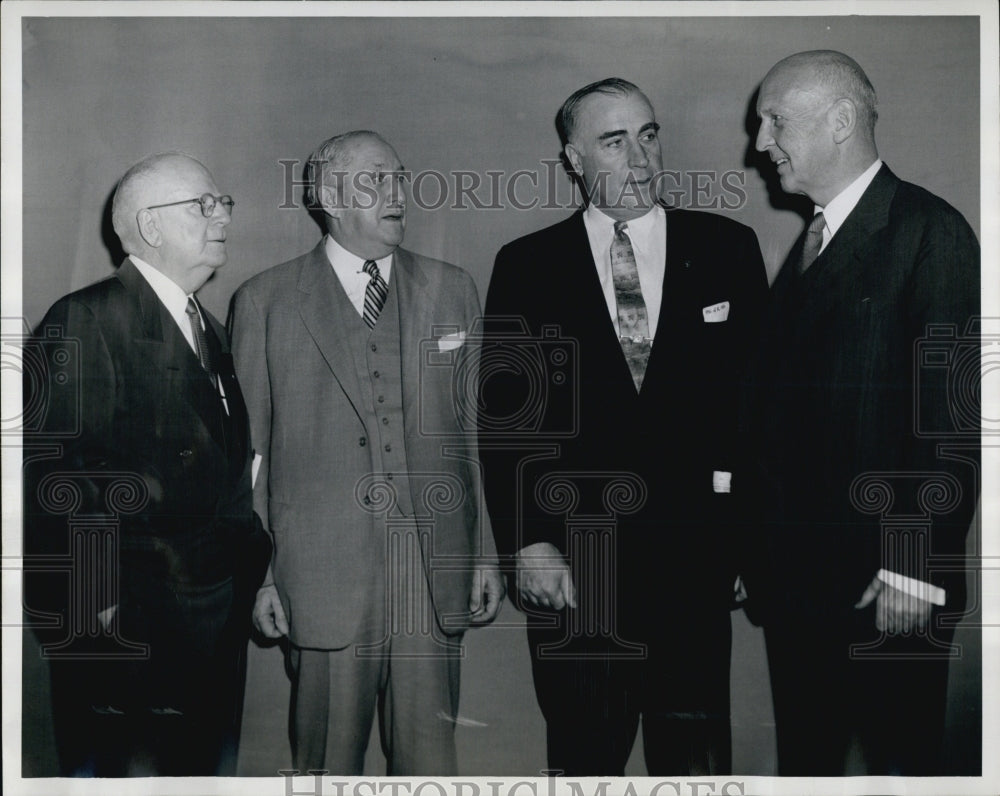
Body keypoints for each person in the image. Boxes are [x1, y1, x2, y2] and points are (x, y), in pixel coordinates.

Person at [478, 78, 768, 776]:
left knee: (694, 765)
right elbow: (506, 423)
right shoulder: (526, 266)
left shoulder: (727, 246)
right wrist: (529, 543)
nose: (639, 157)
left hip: (695, 565)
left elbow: (759, 409)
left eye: (649, 134)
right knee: (585, 759)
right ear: (575, 160)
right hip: (580, 569)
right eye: (614, 141)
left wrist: (750, 542)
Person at [230, 130, 504, 775]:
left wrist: (485, 551)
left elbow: (474, 439)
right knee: (327, 766)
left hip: (434, 571)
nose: (397, 193)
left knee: (431, 765)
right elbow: (247, 459)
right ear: (328, 196)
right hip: (320, 578)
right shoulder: (265, 302)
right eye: (375, 180)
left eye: (400, 178)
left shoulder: (454, 289)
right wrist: (260, 572)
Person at [743, 50, 980, 775]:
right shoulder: (814, 243)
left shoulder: (928, 233)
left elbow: (950, 417)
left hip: (888, 588)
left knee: (899, 771)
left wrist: (913, 566)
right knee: (808, 770)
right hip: (801, 590)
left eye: (775, 121)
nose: (759, 143)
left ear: (841, 120)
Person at [23, 152, 270, 776]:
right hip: (131, 626)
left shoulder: (209, 328)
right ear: (150, 226)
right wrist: (102, 610)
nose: (222, 217)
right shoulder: (87, 317)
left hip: (214, 613)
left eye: (224, 204)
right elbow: (53, 475)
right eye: (202, 204)